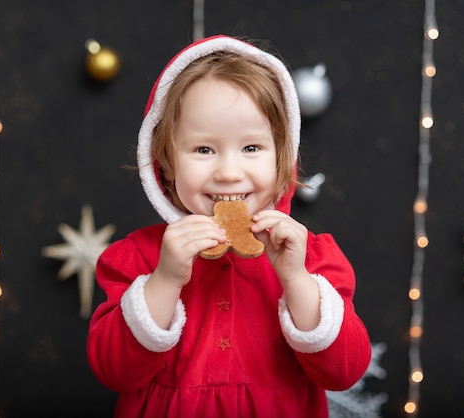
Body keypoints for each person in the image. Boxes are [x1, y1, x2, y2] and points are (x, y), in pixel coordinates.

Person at [87, 35, 371, 418]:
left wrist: (296, 280)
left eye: (251, 148)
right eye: (203, 149)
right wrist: (166, 280)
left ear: (282, 157)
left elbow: (344, 373)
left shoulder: (313, 257)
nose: (228, 173)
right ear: (166, 163)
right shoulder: (137, 257)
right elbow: (114, 372)